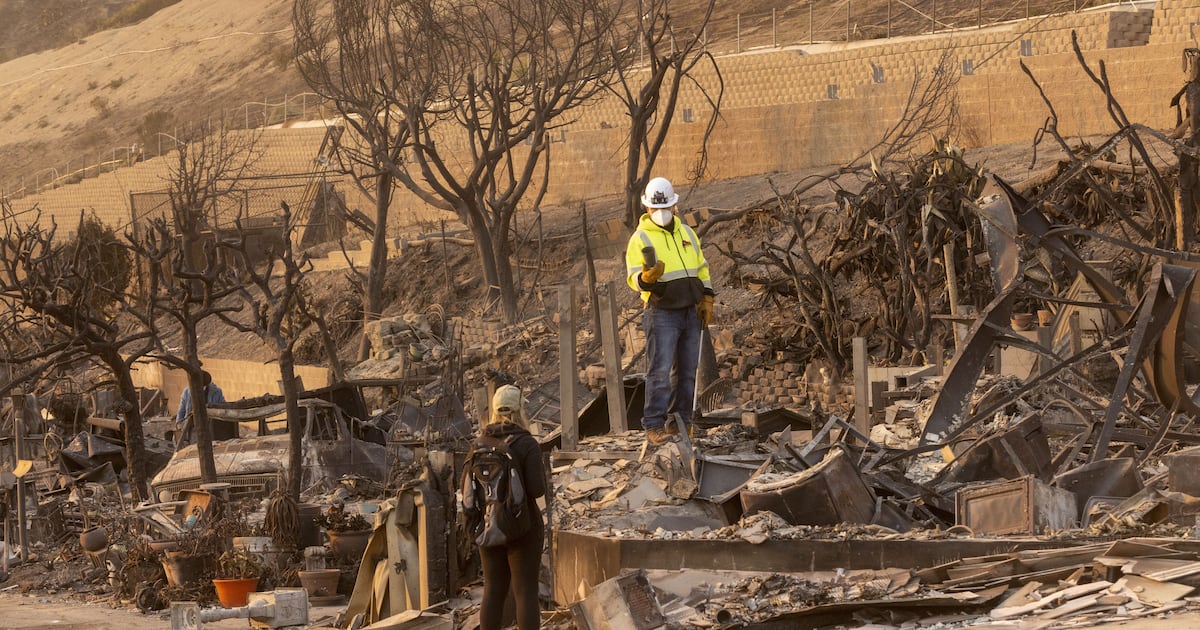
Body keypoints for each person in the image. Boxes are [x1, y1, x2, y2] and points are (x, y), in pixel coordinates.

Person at [625, 177, 714, 446]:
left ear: (675, 206)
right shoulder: (640, 238)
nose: (661, 214)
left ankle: (681, 422)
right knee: (660, 371)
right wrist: (647, 279)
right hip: (662, 312)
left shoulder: (687, 233)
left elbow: (702, 267)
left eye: (666, 208)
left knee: (687, 370)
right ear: (647, 209)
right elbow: (632, 278)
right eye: (656, 209)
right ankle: (654, 424)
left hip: (689, 309)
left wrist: (707, 296)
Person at [476, 384, 545, 630]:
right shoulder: (527, 444)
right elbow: (537, 490)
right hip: (523, 526)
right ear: (520, 409)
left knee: (492, 590)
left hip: (489, 525)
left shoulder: (479, 444)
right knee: (524, 591)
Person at [175, 370, 227, 442]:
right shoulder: (187, 392)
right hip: (192, 426)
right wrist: (179, 425)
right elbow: (181, 411)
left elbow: (223, 407)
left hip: (210, 426)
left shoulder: (216, 392)